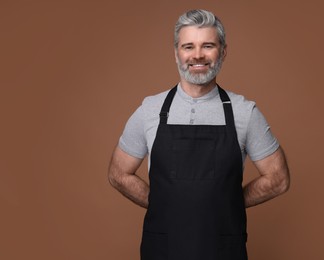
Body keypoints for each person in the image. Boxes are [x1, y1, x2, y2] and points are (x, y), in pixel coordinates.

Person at [108, 9, 290, 260]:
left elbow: (278, 179)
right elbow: (118, 173)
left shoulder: (244, 112)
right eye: (188, 46)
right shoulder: (150, 109)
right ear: (176, 53)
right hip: (163, 249)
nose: (197, 55)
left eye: (208, 45)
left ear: (223, 52)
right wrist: (165, 203)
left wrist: (228, 203)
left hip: (223, 250)